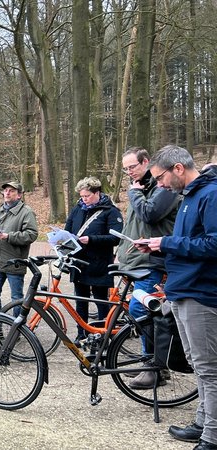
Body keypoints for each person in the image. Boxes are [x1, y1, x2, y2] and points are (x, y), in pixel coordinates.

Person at [140, 146, 217, 449]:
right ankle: (202, 422)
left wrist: (168, 242)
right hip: (183, 290)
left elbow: (213, 244)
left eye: (160, 177)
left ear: (178, 169)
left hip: (201, 292)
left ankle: (212, 437)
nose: (159, 184)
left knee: (209, 369)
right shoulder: (189, 197)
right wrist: (162, 247)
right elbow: (191, 242)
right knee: (198, 364)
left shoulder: (210, 194)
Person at [116, 147, 181, 389]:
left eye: (132, 166)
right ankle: (154, 364)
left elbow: (150, 214)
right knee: (142, 310)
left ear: (145, 162)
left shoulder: (162, 187)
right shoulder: (141, 189)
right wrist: (121, 253)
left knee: (142, 309)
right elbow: (131, 225)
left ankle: (154, 366)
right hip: (136, 260)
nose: (129, 172)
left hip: (153, 261)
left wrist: (134, 193)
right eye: (125, 169)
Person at [64, 176, 123, 343]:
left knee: (100, 301)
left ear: (97, 193)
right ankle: (81, 333)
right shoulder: (78, 209)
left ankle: (103, 334)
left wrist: (91, 239)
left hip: (99, 263)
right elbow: (68, 229)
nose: (84, 199)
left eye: (87, 196)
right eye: (82, 196)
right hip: (79, 262)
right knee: (80, 301)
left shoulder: (110, 211)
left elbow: (115, 238)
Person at [0, 181, 38, 339]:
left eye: (11, 191)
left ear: (19, 195)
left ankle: (16, 332)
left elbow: (31, 234)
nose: (7, 193)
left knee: (17, 299)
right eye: (5, 191)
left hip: (15, 262)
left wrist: (9, 236)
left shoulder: (26, 212)